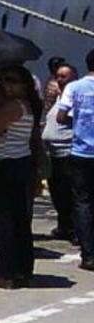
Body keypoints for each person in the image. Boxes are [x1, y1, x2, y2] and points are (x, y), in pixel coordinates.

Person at [0, 64, 42, 289]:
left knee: (5, 221)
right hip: (21, 162)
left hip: (8, 164)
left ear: (24, 85)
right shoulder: (27, 105)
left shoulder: (12, 106)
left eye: (12, 81)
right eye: (4, 80)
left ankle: (6, 273)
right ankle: (22, 270)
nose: (6, 85)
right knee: (19, 221)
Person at [56, 47, 94, 271]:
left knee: (82, 202)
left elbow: (61, 117)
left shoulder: (74, 87)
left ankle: (88, 254)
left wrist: (79, 122)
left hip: (81, 151)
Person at [44, 63, 78, 242]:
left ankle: (75, 230)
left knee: (69, 194)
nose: (59, 80)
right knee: (57, 193)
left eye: (63, 76)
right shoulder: (59, 98)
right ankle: (64, 226)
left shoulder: (74, 97)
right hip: (53, 153)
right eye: (57, 76)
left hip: (67, 151)